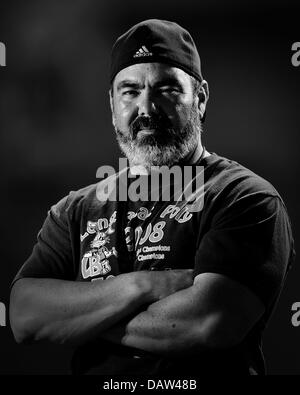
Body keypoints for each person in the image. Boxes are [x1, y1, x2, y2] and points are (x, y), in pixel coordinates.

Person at [10, 19, 295, 375]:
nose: (146, 108)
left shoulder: (244, 198)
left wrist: (80, 320)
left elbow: (207, 323)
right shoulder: (75, 210)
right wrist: (144, 285)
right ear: (112, 105)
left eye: (166, 89)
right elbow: (23, 315)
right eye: (130, 91)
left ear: (201, 98)